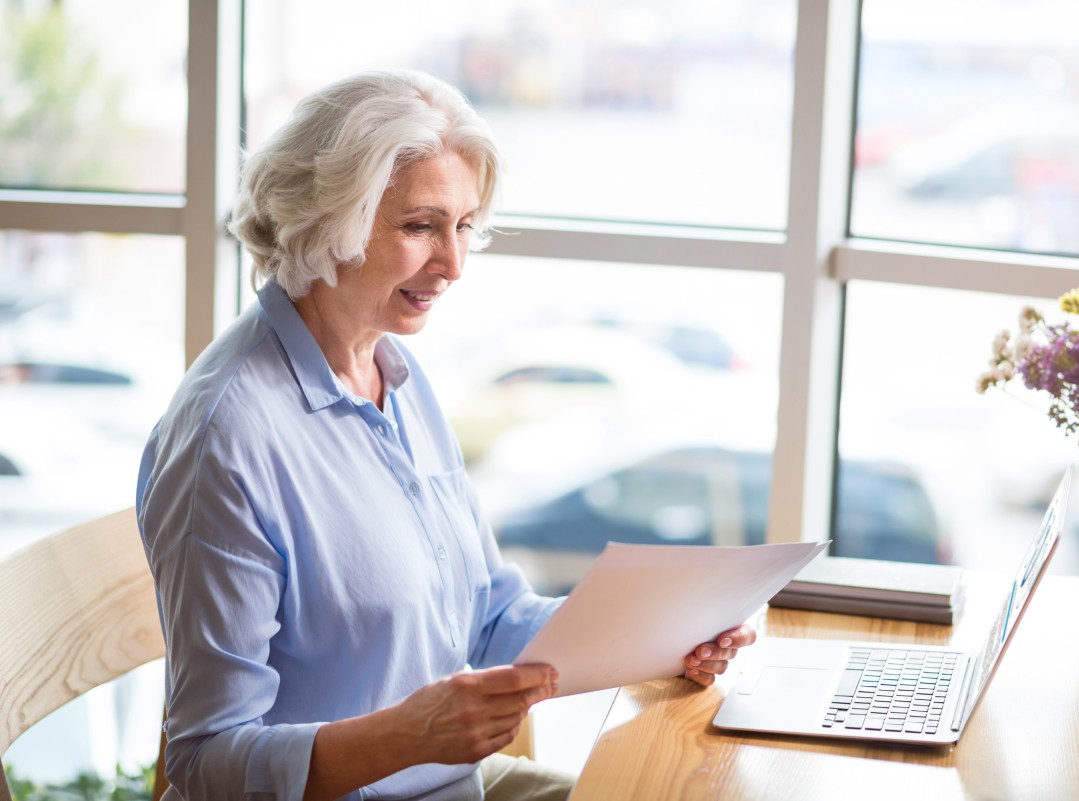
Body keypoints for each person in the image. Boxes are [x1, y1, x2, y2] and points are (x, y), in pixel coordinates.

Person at [135, 70, 756, 801]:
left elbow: (491, 617)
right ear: (324, 216)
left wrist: (668, 634)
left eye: (463, 227)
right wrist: (406, 734)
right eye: (420, 225)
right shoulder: (228, 438)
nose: (454, 264)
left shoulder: (396, 374)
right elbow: (205, 762)